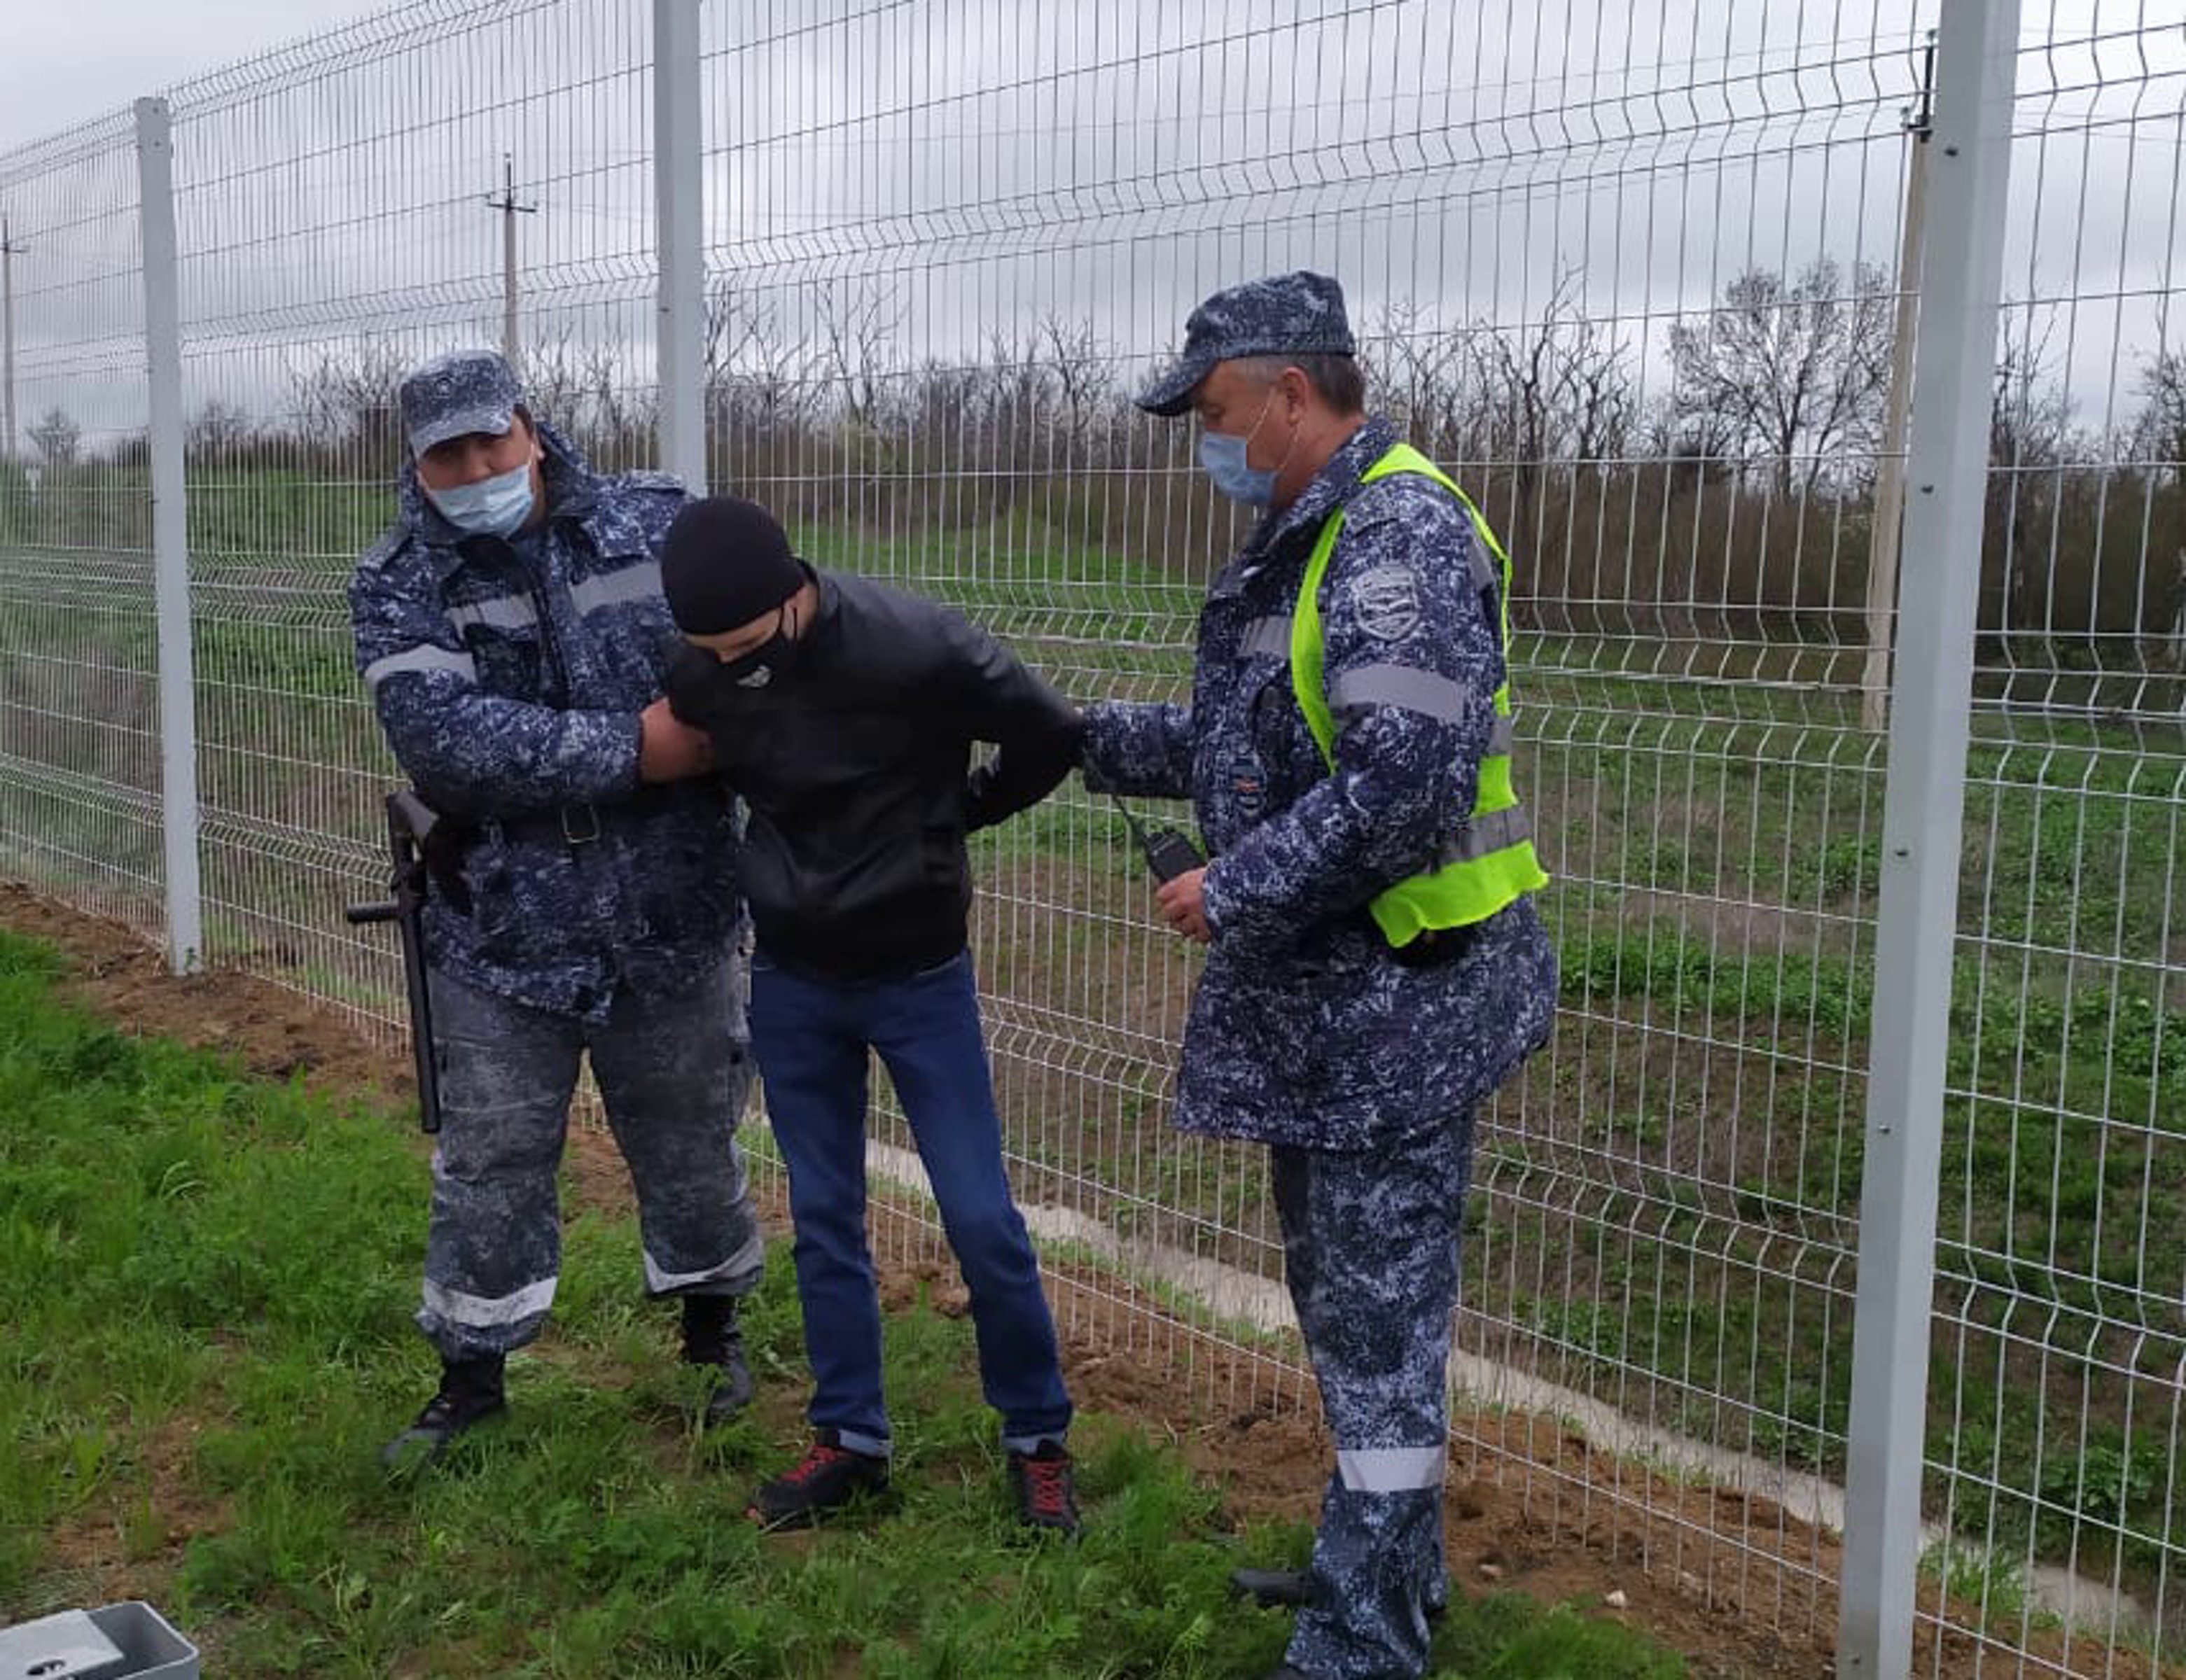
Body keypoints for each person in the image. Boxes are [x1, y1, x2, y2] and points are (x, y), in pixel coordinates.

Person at [1079, 272, 1558, 1680]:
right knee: (1356, 1321)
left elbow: (1402, 791)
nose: (1203, 441)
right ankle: (1380, 1570)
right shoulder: (1314, 534)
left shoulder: (1392, 536)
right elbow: (1253, 736)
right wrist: (1077, 735)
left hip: (1404, 1007)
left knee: (1379, 1341)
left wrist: (1227, 887)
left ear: (1294, 391)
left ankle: (1365, 1639)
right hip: (1352, 1013)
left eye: (1215, 412)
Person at [348, 349, 766, 1472]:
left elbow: (750, 660)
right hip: (500, 929)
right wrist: (640, 747)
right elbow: (449, 743)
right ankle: (471, 1375)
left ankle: (710, 1329)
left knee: (690, 1137)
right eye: (448, 454)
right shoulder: (397, 583)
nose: (476, 466)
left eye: (492, 440)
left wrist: (711, 737)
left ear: (530, 427)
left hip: (672, 910)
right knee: (490, 1162)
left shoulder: (655, 523)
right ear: (417, 464)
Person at [657, 495, 1084, 1535]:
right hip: (795, 979)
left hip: (917, 974)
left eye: (749, 646)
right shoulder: (702, 673)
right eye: (712, 656)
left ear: (794, 595)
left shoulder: (918, 646)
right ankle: (851, 1440)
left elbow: (1050, 733)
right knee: (824, 1220)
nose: (733, 670)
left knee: (981, 1220)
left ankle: (1036, 1442)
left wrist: (957, 815)